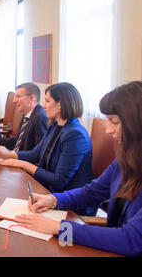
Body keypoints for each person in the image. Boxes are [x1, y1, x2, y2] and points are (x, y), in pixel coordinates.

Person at [13, 81, 142, 256]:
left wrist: (60, 228)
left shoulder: (75, 133)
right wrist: (54, 200)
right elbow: (93, 192)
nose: (108, 130)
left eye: (115, 122)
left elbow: (132, 240)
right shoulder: (126, 159)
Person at [0, 82, 93, 215]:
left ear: (61, 104)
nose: (43, 105)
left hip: (69, 207)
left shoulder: (75, 135)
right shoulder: (54, 126)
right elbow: (35, 155)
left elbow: (59, 181)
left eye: (47, 101)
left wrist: (22, 164)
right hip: (48, 194)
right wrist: (8, 154)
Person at [0, 82, 48, 151]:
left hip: (24, 161)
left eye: (18, 97)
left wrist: (11, 155)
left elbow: (38, 153)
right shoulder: (27, 114)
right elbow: (17, 141)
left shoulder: (40, 117)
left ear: (32, 98)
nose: (14, 100)